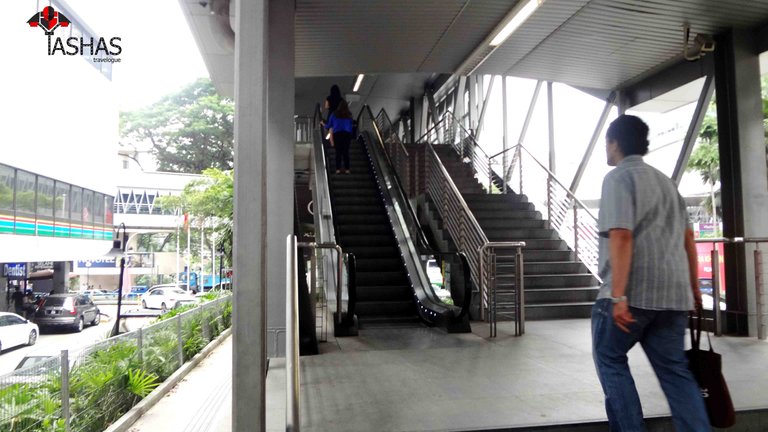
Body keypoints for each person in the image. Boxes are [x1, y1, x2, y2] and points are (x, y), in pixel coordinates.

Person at [592, 114, 709, 431]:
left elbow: (621, 235)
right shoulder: (666, 182)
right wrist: (694, 288)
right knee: (675, 371)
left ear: (615, 143)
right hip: (674, 298)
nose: (606, 147)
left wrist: (618, 296)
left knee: (610, 359)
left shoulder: (618, 178)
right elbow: (688, 238)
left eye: (607, 142)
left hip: (633, 296)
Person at [326, 100, 354, 174]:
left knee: (338, 152)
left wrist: (323, 123)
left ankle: (338, 169)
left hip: (337, 134)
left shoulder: (334, 114)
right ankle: (347, 169)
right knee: (346, 152)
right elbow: (351, 124)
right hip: (347, 134)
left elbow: (329, 125)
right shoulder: (349, 114)